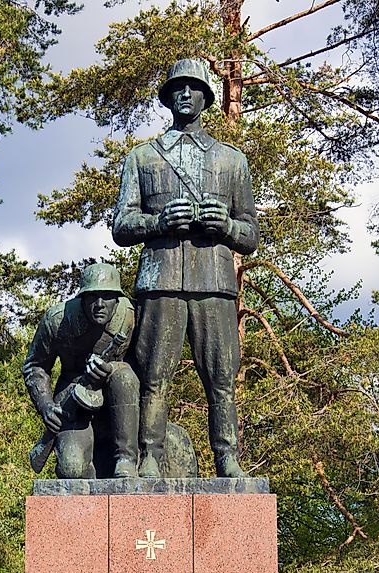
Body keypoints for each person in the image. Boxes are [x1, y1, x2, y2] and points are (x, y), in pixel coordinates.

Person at [113, 58, 259, 479]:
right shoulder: (143, 157)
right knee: (153, 376)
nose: (183, 94)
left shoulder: (232, 161)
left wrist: (227, 225)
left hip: (214, 283)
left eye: (193, 87)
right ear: (167, 98)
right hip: (160, 283)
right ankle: (150, 457)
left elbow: (250, 235)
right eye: (176, 88)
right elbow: (121, 225)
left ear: (206, 97)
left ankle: (227, 458)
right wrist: (157, 223)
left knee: (221, 377)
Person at [22, 263, 140, 479]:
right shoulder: (58, 320)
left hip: (117, 401)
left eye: (107, 296)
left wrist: (110, 367)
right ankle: (96, 471)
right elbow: (35, 365)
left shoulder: (131, 315)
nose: (100, 304)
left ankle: (127, 460)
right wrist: (46, 405)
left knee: (124, 376)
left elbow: (144, 366)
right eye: (92, 297)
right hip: (73, 401)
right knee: (71, 469)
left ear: (117, 298)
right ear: (81, 298)